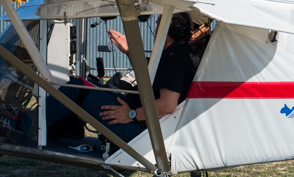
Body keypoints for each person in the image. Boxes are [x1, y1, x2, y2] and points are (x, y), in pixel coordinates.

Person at [45, 13, 198, 147]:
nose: (156, 27)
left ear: (165, 27)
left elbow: (167, 104)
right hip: (147, 124)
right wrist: (129, 51)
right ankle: (59, 128)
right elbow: (149, 77)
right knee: (88, 85)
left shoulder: (174, 59)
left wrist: (132, 114)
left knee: (77, 88)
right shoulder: (180, 53)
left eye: (158, 22)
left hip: (139, 128)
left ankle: (28, 125)